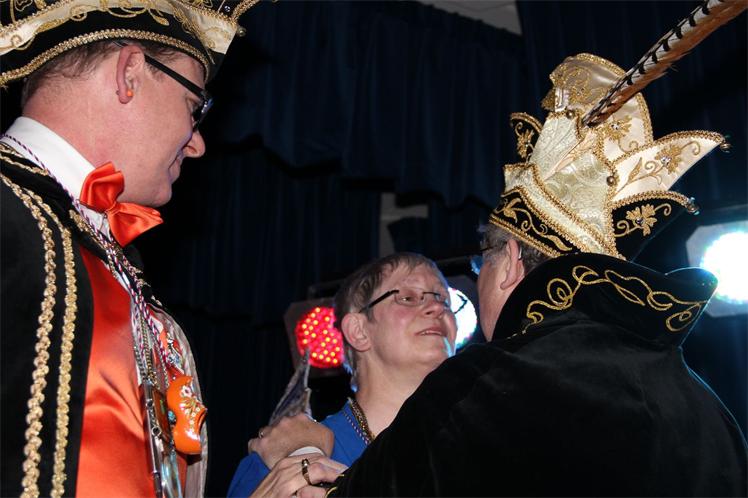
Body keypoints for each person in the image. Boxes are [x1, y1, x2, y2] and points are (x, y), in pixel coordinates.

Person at [325, 43, 748, 498]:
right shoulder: (704, 405)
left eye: (478, 267)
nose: (436, 309)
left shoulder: (483, 385)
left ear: (508, 262)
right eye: (408, 298)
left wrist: (304, 455)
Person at [0, 1, 258, 496]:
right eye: (194, 107)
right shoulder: (13, 215)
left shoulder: (111, 258)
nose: (198, 144)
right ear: (130, 73)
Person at [227, 252, 458, 496]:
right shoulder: (280, 457)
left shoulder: (473, 450)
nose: (437, 308)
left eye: (443, 299)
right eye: (408, 298)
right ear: (358, 331)